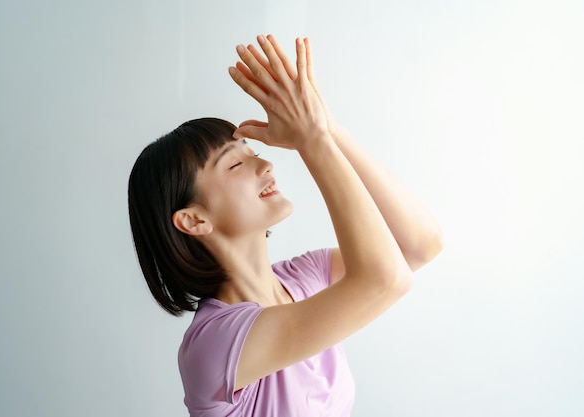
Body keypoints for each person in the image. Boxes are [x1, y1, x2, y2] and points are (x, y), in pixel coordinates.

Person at [128, 34, 443, 417]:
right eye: (235, 164)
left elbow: (418, 245)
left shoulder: (304, 277)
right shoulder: (213, 345)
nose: (266, 165)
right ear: (194, 220)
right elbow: (385, 279)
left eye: (254, 152)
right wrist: (313, 141)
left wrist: (327, 128)